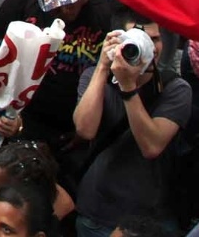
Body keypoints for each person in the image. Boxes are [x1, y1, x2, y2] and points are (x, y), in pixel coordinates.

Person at [70, 15, 192, 237]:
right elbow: (85, 130)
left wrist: (128, 87)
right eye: (139, 40)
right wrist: (102, 67)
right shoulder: (96, 78)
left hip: (148, 219)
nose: (149, 48)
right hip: (96, 212)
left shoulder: (176, 89)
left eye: (155, 39)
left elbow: (151, 146)